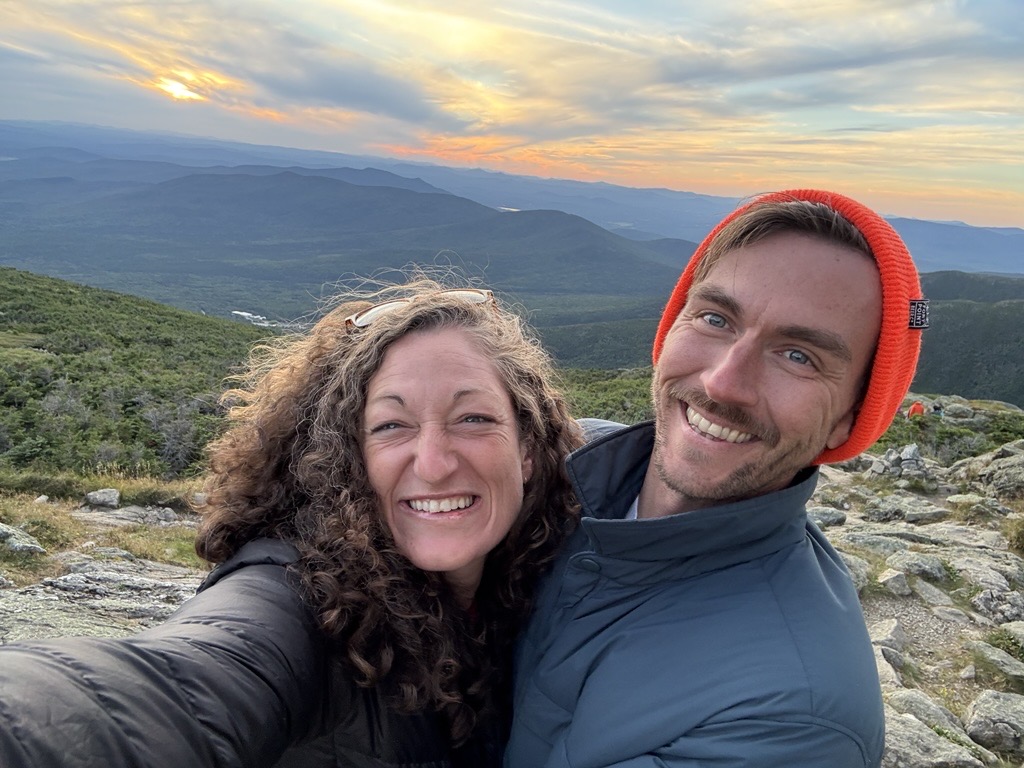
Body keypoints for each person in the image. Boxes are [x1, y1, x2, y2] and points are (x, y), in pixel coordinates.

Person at [0, 278, 582, 768]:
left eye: (473, 417)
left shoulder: (556, 571)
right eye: (390, 426)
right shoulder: (299, 599)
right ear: (345, 458)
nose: (433, 463)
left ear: (528, 450)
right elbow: (180, 686)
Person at [505, 189, 928, 768]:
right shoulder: (560, 470)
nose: (724, 383)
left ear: (848, 421)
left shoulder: (793, 725)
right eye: (714, 318)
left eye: (798, 356)